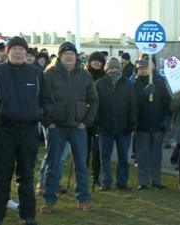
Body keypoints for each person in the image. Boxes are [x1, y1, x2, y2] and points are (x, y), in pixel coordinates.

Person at [0, 36, 51, 225]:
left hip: (28, 131)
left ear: (26, 52)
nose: (18, 52)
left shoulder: (36, 73)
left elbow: (45, 100)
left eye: (21, 49)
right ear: (7, 52)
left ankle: (28, 216)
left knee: (26, 175)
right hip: (4, 132)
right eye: (14, 49)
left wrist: (40, 113)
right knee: (1, 176)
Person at [41, 42, 99, 213]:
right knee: (53, 164)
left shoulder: (85, 75)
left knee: (81, 164)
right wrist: (48, 122)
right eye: (65, 53)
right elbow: (42, 99)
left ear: (76, 57)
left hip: (77, 127)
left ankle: (83, 199)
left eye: (72, 53)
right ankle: (49, 200)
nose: (69, 56)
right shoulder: (49, 75)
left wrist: (86, 122)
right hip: (56, 127)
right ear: (59, 56)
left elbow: (94, 100)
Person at [96, 57, 137, 191]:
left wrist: (131, 123)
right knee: (105, 158)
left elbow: (133, 105)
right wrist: (97, 123)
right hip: (105, 127)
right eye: (110, 68)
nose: (113, 70)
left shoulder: (128, 84)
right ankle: (105, 182)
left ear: (120, 69)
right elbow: (96, 105)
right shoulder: (99, 84)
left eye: (116, 68)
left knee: (123, 157)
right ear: (106, 69)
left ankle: (122, 181)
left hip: (124, 127)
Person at [133, 59, 171, 190]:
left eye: (145, 67)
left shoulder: (159, 84)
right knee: (142, 155)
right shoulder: (134, 84)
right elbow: (132, 103)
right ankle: (143, 181)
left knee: (156, 155)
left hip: (157, 125)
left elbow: (167, 102)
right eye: (140, 68)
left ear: (151, 68)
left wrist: (166, 118)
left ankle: (156, 180)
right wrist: (144, 93)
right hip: (142, 125)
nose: (143, 70)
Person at [85, 51, 106, 187]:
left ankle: (95, 176)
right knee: (84, 150)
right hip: (85, 118)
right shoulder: (84, 76)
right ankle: (82, 175)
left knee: (98, 151)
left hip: (99, 118)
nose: (97, 63)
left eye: (99, 61)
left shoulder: (104, 78)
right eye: (94, 60)